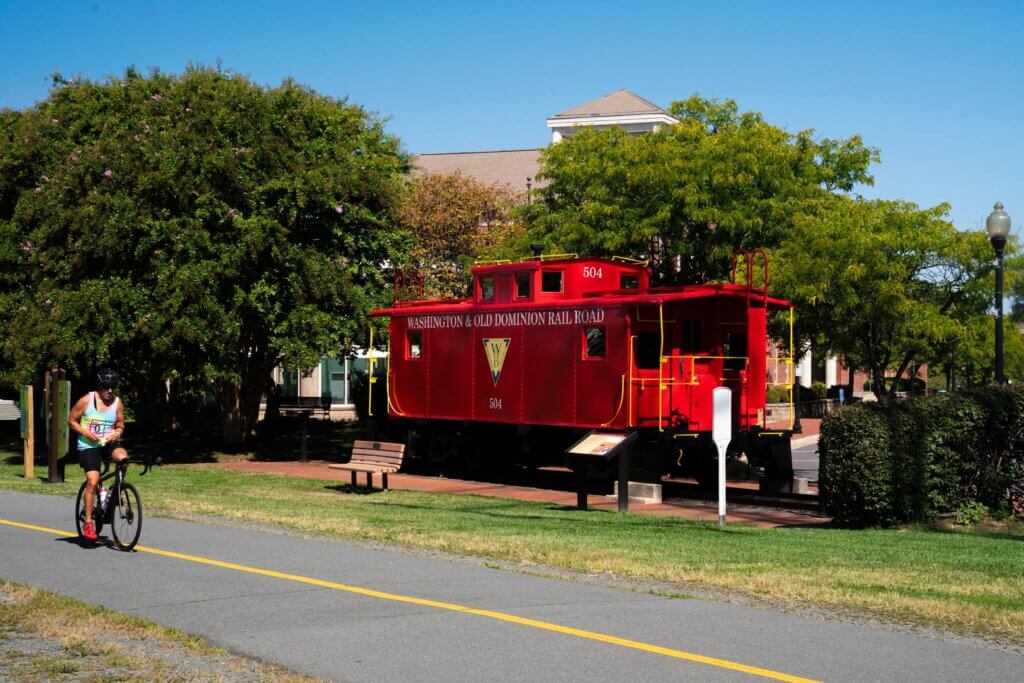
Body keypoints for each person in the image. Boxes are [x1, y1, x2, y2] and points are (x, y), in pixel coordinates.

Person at [68, 368, 127, 542]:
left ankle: (114, 493)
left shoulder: (117, 403)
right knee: (93, 481)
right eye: (106, 387)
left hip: (107, 443)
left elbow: (120, 425)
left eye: (113, 387)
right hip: (88, 446)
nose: (110, 391)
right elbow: (71, 420)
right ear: (100, 387)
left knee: (123, 458)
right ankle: (88, 523)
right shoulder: (87, 400)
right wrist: (86, 433)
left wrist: (117, 433)